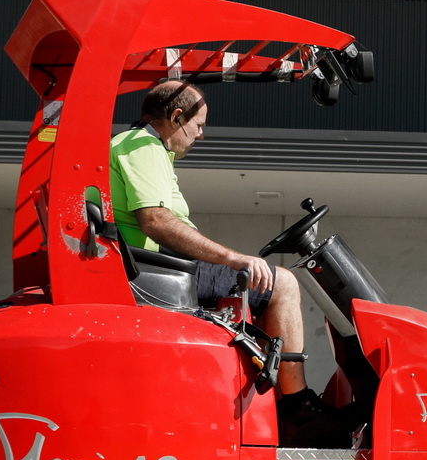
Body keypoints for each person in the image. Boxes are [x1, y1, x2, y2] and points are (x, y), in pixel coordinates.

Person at [109, 80, 327, 434]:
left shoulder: (138, 147)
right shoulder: (142, 147)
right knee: (282, 282)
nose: (200, 136)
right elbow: (156, 222)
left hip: (151, 267)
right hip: (155, 273)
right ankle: (297, 408)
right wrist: (232, 258)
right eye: (199, 126)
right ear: (177, 116)